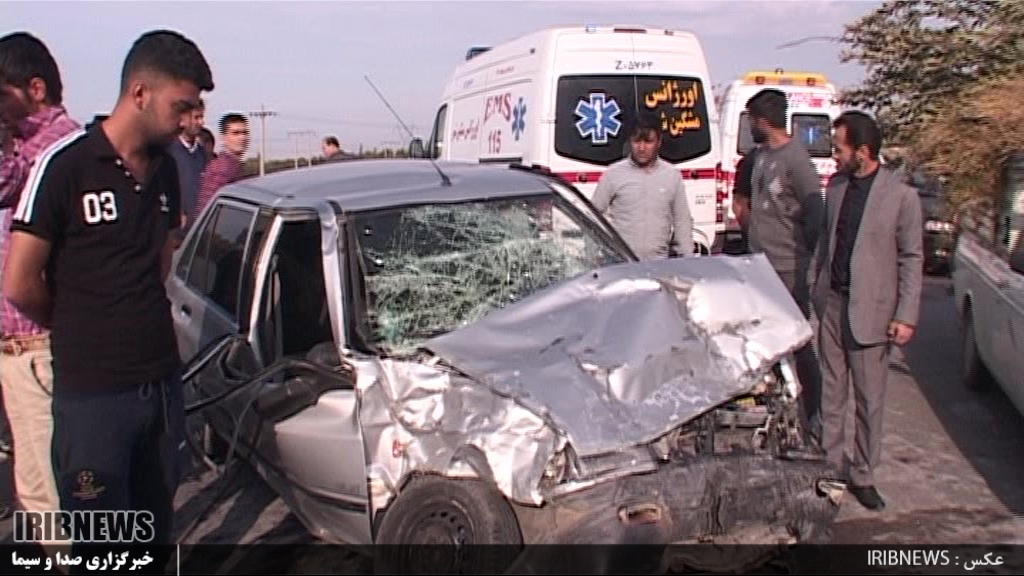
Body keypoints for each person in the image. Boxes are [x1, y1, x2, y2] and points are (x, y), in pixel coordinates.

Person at [2, 29, 213, 558]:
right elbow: (19, 282)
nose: (188, 121)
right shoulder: (65, 166)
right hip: (93, 400)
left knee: (152, 539)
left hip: (159, 389)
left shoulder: (165, 171)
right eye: (180, 107)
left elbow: (160, 263)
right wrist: (80, 323)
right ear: (140, 93)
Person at [809, 111, 923, 510]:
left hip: (873, 313)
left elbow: (911, 259)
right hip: (832, 305)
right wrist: (815, 286)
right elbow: (825, 241)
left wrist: (905, 315)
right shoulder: (837, 187)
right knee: (831, 394)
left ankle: (863, 475)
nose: (833, 156)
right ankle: (829, 467)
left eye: (838, 149)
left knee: (869, 401)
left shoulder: (901, 197)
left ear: (863, 151)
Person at [0, 32, 81, 534]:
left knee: (53, 494)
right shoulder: (22, 149)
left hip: (39, 344)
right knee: (36, 488)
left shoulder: (56, 151)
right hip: (22, 348)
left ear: (35, 89)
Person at [744, 89, 825, 436]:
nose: (750, 127)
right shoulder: (762, 155)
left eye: (751, 120)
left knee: (798, 344)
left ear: (762, 121)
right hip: (760, 267)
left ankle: (815, 415)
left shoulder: (797, 161)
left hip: (788, 268)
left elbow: (816, 215)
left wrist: (805, 259)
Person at [591, 114, 693, 260]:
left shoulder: (672, 175)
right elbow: (593, 216)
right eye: (637, 141)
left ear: (659, 142)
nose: (642, 148)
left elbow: (682, 220)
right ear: (630, 141)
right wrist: (594, 253)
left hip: (659, 263)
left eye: (648, 142)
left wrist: (687, 258)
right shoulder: (613, 174)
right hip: (621, 263)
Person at [193, 112, 248, 221]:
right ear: (224, 137)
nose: (242, 137)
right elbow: (205, 209)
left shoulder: (233, 165)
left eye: (244, 133)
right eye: (235, 133)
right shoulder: (221, 168)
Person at [167, 97, 206, 230]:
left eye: (202, 117)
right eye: (196, 117)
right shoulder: (168, 152)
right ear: (182, 119)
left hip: (200, 227)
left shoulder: (202, 153)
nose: (201, 122)